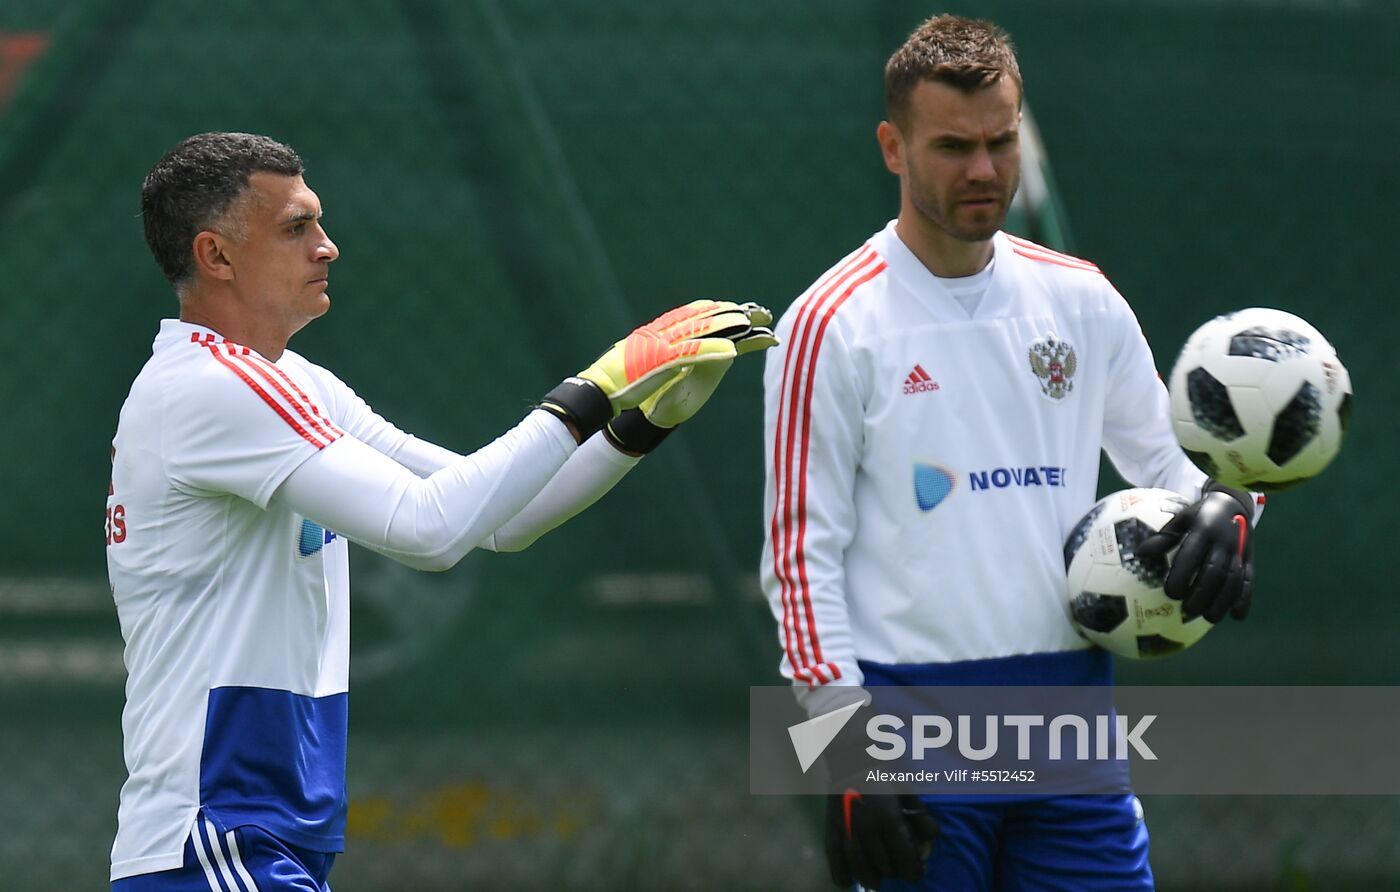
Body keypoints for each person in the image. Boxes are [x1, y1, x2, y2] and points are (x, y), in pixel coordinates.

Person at [106, 131, 775, 890]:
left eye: (318, 223)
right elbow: (427, 531)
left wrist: (636, 423)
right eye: (296, 228)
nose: (327, 247)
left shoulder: (292, 382)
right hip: (215, 835)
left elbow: (494, 519)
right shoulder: (212, 388)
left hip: (263, 834)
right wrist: (593, 385)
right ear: (216, 256)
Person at [760, 16, 1259, 891]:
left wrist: (1231, 507)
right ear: (892, 147)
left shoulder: (1081, 302)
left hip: (1071, 732)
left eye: (999, 142)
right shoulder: (829, 324)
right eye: (952, 147)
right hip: (905, 734)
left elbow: (1179, 468)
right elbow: (800, 563)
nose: (983, 170)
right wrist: (840, 753)